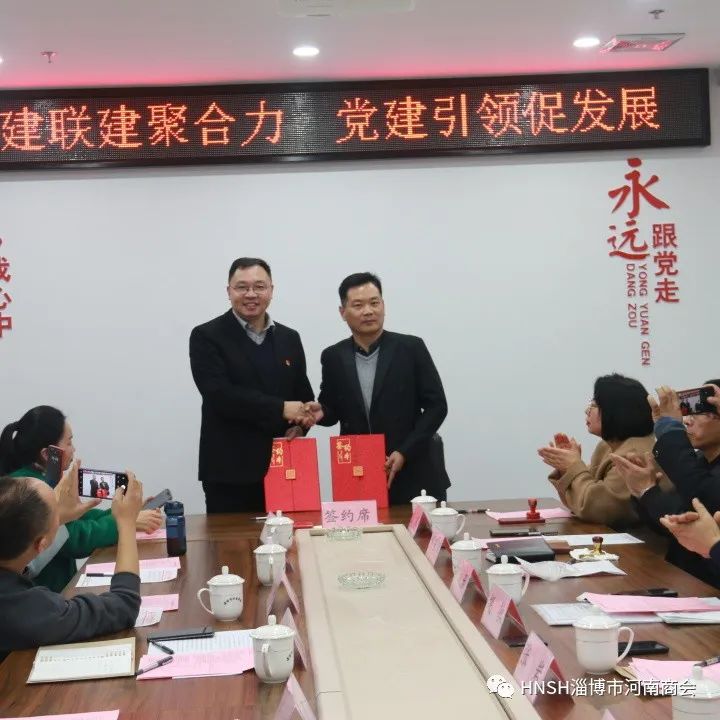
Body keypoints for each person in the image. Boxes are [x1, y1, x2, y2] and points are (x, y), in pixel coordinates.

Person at [189, 257, 316, 513]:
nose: (251, 294)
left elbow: (302, 394)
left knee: (292, 537)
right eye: (242, 287)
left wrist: (301, 425)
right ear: (229, 291)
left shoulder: (289, 338)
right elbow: (219, 395)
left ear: (271, 290)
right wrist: (281, 408)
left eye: (259, 286)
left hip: (286, 468)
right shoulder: (207, 336)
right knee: (231, 540)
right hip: (230, 473)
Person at [311, 272, 449, 505]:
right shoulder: (333, 356)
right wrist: (321, 412)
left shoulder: (411, 348)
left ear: (383, 305)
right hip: (359, 471)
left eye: (374, 303)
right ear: (342, 312)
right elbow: (333, 409)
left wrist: (404, 451)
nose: (368, 311)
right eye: (358, 305)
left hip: (414, 470)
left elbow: (437, 407)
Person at [0, 406, 162, 592]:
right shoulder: (30, 490)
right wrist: (125, 523)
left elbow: (78, 518)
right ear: (48, 454)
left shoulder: (41, 479)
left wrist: (126, 512)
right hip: (45, 595)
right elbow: (74, 539)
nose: (74, 449)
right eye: (69, 442)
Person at [0, 462, 142, 662]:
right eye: (56, 514)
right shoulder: (23, 608)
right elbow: (124, 606)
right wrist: (126, 523)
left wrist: (58, 517)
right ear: (42, 545)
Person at [611, 381, 720, 586]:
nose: (687, 421)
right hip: (681, 578)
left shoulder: (689, 467)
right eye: (688, 413)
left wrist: (648, 490)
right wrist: (643, 490)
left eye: (702, 412)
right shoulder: (697, 461)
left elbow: (702, 503)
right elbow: (673, 523)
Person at [538, 373, 668, 528]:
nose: (587, 410)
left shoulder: (634, 454)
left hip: (639, 542)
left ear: (616, 411)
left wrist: (573, 467)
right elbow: (579, 504)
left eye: (594, 405)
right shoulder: (607, 446)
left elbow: (597, 510)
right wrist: (566, 469)